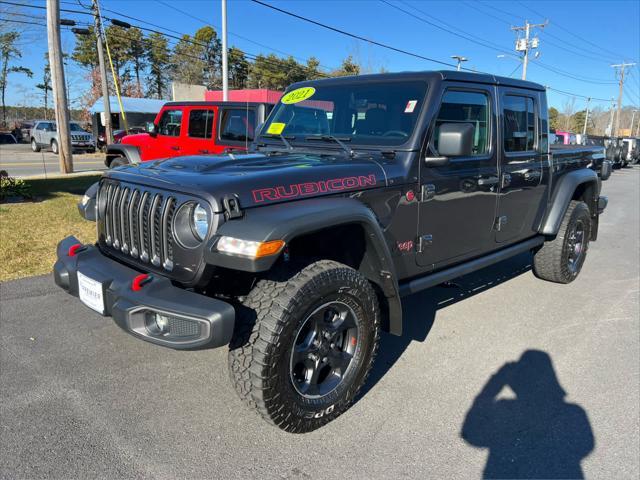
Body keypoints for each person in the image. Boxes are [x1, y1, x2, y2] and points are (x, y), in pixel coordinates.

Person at [461, 350, 594, 479]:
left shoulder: (505, 409)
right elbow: (586, 446)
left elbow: (472, 434)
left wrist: (496, 382)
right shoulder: (573, 412)